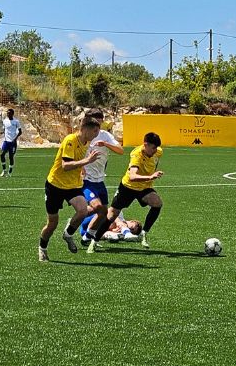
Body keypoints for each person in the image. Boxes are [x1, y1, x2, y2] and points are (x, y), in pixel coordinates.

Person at [38, 116, 102, 262]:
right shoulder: (70, 140)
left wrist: (82, 167)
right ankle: (42, 248)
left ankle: (68, 234)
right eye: (95, 131)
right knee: (52, 223)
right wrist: (86, 161)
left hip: (73, 185)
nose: (96, 134)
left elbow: (77, 160)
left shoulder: (86, 142)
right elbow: (65, 166)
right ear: (84, 129)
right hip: (55, 185)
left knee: (83, 210)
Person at [88, 132, 164, 252]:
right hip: (128, 187)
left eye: (157, 148)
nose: (155, 151)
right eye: (153, 148)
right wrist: (150, 177)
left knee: (157, 203)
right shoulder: (136, 155)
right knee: (112, 215)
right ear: (145, 145)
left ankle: (143, 233)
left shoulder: (158, 152)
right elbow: (132, 176)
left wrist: (150, 175)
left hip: (144, 187)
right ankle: (94, 241)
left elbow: (154, 161)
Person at [80, 109, 125, 243]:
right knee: (98, 207)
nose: (97, 126)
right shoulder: (82, 136)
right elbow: (75, 154)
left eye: (99, 122)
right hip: (86, 179)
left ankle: (86, 234)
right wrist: (81, 168)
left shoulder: (105, 135)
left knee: (103, 211)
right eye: (95, 122)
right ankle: (78, 228)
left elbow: (121, 151)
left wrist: (105, 144)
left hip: (100, 179)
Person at [0, 108, 23, 177]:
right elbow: (5, 129)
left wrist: (15, 139)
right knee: (2, 155)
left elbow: (20, 132)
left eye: (9, 113)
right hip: (6, 141)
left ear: (12, 114)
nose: (8, 114)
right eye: (7, 113)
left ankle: (10, 172)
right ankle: (4, 170)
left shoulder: (16, 121)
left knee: (11, 156)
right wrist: (2, 132)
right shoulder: (5, 121)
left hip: (13, 142)